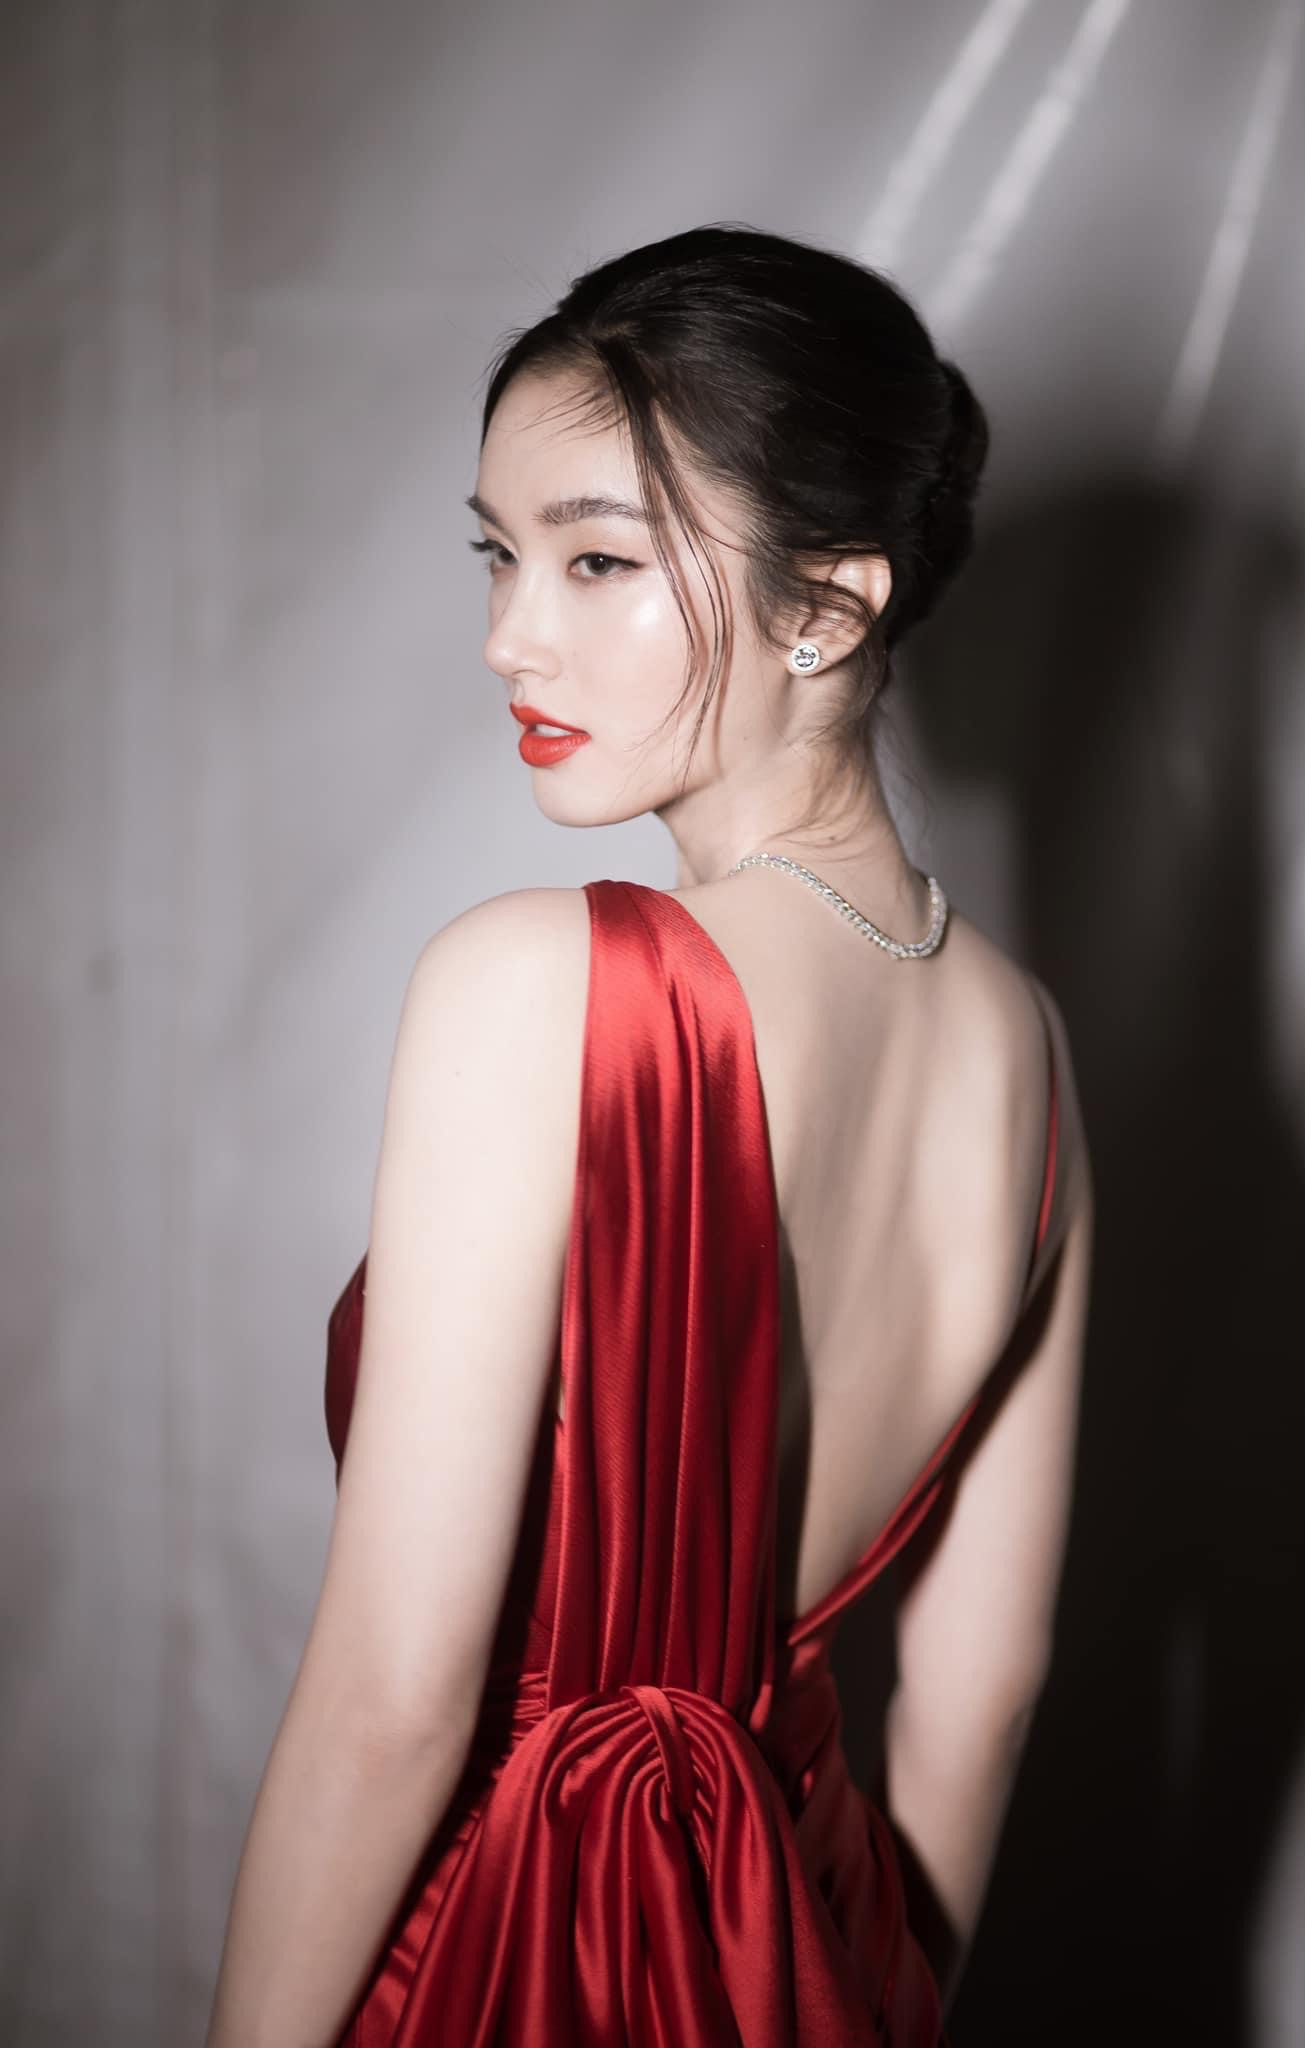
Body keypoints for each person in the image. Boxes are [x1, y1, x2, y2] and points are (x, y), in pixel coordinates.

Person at [205, 221, 1093, 2047]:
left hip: (513, 1955)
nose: (508, 637)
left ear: (828, 606)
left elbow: (392, 1702)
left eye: (597, 559)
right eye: (499, 552)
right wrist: (853, 1995)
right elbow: (984, 1689)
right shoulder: (1030, 1050)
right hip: (805, 1958)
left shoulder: (540, 985)